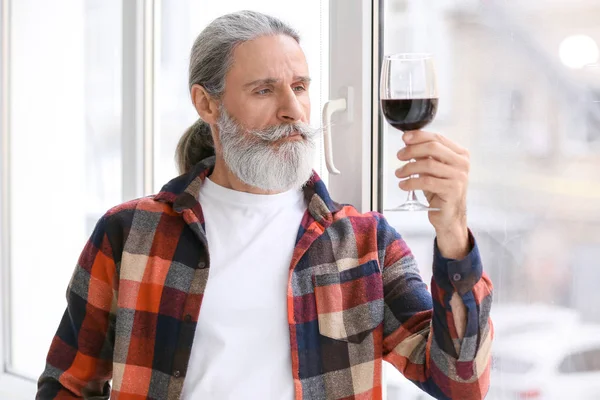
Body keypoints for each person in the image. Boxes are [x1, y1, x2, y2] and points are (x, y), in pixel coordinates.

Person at [37, 10, 493, 400]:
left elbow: (460, 383)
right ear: (206, 103)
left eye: (300, 86)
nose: (293, 109)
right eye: (264, 90)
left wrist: (453, 229)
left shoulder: (364, 243)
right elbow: (67, 385)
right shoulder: (129, 233)